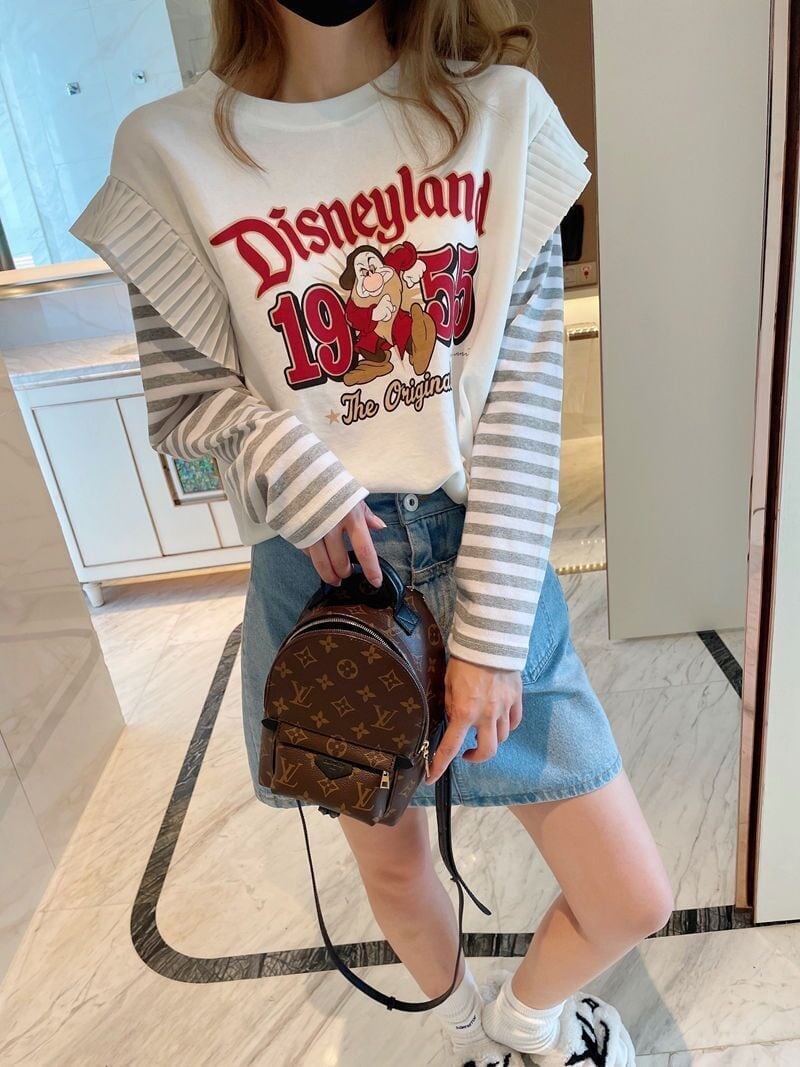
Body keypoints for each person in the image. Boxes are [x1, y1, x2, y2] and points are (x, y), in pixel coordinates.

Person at [70, 2, 673, 1063]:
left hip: (482, 540)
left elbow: (524, 396)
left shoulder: (500, 115)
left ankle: (530, 1014)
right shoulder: (167, 152)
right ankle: (467, 1034)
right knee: (392, 865)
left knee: (629, 892)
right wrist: (286, 459)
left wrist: (490, 634)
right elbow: (184, 408)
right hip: (319, 578)